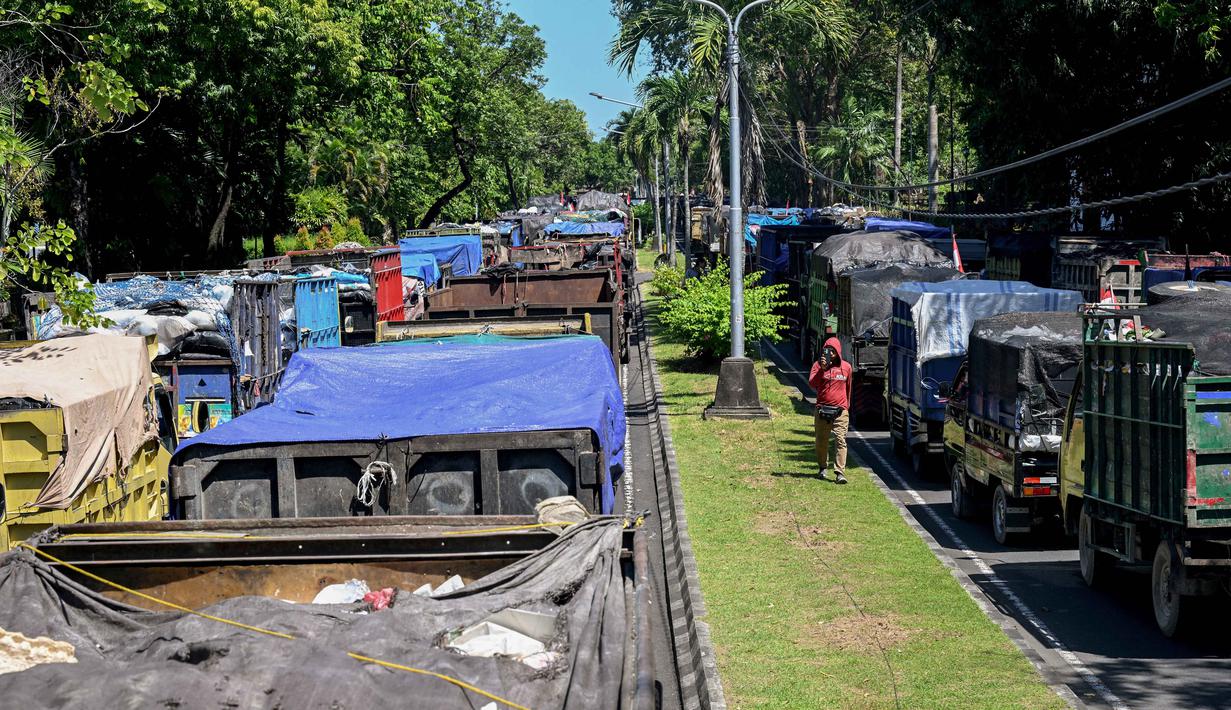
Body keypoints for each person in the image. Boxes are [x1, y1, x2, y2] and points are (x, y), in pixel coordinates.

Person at [809, 336, 852, 483]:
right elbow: (812, 384)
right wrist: (822, 369)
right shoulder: (817, 366)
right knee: (821, 441)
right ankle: (822, 467)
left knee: (841, 440)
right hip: (822, 409)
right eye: (827, 351)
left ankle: (840, 472)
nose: (830, 354)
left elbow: (848, 388)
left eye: (833, 351)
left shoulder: (846, 367)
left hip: (840, 411)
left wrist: (846, 407)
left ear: (838, 352)